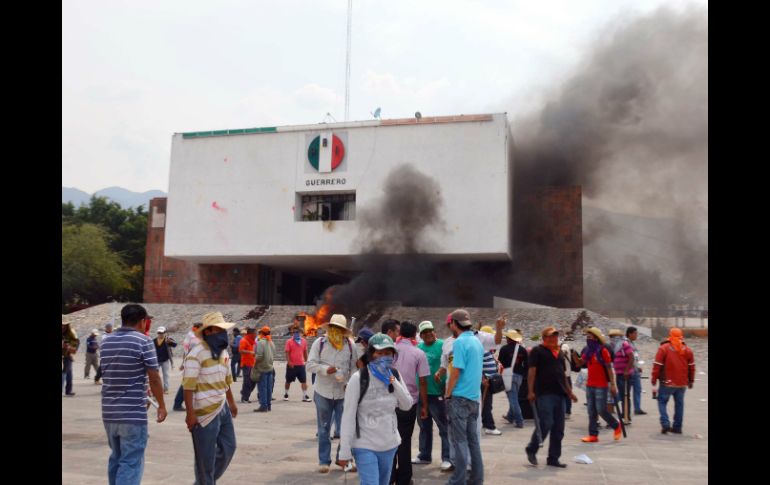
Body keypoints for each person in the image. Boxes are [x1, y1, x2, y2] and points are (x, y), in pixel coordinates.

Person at [100, 304, 167, 485]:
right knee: (130, 461)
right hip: (132, 413)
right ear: (142, 321)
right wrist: (161, 404)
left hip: (109, 412)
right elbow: (154, 377)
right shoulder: (143, 341)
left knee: (116, 457)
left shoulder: (106, 341)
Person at [338, 333, 413, 485]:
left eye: (388, 353)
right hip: (365, 444)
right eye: (379, 353)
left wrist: (393, 381)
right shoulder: (358, 379)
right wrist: (344, 451)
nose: (384, 357)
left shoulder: (395, 375)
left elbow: (407, 404)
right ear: (371, 354)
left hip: (389, 444)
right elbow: (348, 416)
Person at [183, 312, 238, 485]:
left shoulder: (223, 353)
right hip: (203, 413)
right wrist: (190, 414)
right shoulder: (196, 353)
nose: (222, 333)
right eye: (218, 330)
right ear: (208, 331)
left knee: (229, 446)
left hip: (222, 407)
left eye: (223, 329)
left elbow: (226, 381)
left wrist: (232, 402)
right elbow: (188, 386)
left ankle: (204, 482)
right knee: (204, 460)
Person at [306, 313, 357, 473]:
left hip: (343, 392)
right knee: (324, 428)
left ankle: (343, 459)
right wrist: (325, 369)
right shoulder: (319, 343)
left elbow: (355, 367)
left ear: (343, 331)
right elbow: (310, 365)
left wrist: (351, 383)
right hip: (323, 391)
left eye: (339, 329)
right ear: (330, 328)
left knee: (346, 429)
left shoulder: (350, 345)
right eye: (334, 328)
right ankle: (324, 460)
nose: (336, 331)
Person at [524, 326, 577, 468]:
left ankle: (553, 458)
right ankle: (532, 448)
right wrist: (530, 391)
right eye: (550, 336)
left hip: (560, 394)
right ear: (544, 338)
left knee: (559, 428)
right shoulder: (537, 351)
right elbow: (532, 372)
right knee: (546, 423)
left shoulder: (559, 352)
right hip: (544, 393)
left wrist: (569, 392)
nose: (553, 338)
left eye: (555, 336)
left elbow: (562, 374)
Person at [444, 309, 485, 485]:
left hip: (459, 397)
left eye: (450, 323)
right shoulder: (477, 341)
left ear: (454, 323)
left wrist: (447, 393)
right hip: (474, 398)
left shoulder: (459, 342)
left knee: (459, 441)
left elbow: (456, 370)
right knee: (473, 441)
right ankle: (476, 478)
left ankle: (458, 480)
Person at [391, 321, 429, 485]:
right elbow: (422, 381)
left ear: (400, 334)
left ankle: (389, 475)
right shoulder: (418, 353)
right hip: (409, 402)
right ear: (415, 335)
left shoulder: (390, 350)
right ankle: (404, 478)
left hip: (390, 401)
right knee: (405, 441)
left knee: (390, 439)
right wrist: (425, 405)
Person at [413, 321, 453, 472]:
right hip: (421, 394)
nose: (429, 333)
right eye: (425, 332)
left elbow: (450, 364)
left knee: (444, 427)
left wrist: (447, 385)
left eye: (431, 330)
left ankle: (447, 458)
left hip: (438, 394)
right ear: (421, 335)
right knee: (424, 426)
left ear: (435, 332)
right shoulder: (419, 348)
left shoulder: (443, 345)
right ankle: (424, 455)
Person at [573, 327, 622, 443]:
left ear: (596, 338)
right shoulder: (588, 351)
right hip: (590, 385)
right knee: (591, 411)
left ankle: (616, 425)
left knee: (601, 410)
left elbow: (609, 368)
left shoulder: (603, 351)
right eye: (587, 337)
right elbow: (580, 363)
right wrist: (574, 356)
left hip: (601, 385)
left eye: (589, 337)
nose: (587, 339)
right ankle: (593, 435)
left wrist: (613, 385)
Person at [651, 328, 695, 434]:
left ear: (670, 335)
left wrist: (654, 379)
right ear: (681, 336)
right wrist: (691, 381)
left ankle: (665, 423)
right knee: (679, 405)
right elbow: (692, 367)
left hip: (667, 382)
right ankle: (677, 427)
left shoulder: (664, 348)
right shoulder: (687, 350)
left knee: (661, 401)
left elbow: (657, 365)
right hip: (682, 383)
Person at [498, 329, 527, 428]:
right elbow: (527, 364)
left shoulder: (504, 349)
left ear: (509, 338)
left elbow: (500, 362)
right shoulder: (523, 350)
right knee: (514, 397)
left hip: (507, 375)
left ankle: (520, 421)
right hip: (519, 376)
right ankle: (510, 416)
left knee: (513, 399)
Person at [478, 326, 503, 436]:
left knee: (487, 404)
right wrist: (483, 377)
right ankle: (489, 426)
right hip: (485, 381)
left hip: (488, 380)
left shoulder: (485, 349)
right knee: (487, 404)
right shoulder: (481, 348)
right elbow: (477, 364)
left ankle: (485, 421)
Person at [172, 321, 203, 411]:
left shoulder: (190, 336)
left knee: (188, 384)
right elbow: (190, 351)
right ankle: (177, 404)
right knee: (186, 385)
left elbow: (186, 351)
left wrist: (183, 363)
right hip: (192, 364)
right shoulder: (194, 338)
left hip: (191, 363)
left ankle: (178, 403)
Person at [608, 329, 635, 422]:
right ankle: (624, 415)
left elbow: (632, 358)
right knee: (623, 395)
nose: (611, 339)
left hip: (625, 375)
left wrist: (627, 371)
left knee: (625, 396)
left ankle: (626, 416)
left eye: (612, 337)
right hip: (619, 374)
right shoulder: (614, 347)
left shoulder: (624, 345)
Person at [284, 325, 311, 402]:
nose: (296, 334)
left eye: (298, 332)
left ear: (301, 333)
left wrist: (307, 361)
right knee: (288, 381)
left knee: (304, 381)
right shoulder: (289, 341)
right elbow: (287, 352)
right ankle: (286, 394)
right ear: (293, 333)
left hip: (301, 365)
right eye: (295, 332)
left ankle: (305, 396)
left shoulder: (304, 341)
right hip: (291, 365)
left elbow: (305, 352)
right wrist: (289, 362)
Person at [253, 326, 276, 412]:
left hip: (262, 368)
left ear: (261, 333)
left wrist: (255, 365)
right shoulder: (271, 342)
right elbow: (274, 354)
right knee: (269, 388)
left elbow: (259, 356)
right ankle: (268, 405)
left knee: (262, 388)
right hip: (270, 367)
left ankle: (263, 406)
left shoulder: (260, 342)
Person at [626, 326, 647, 415]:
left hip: (635, 370)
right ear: (630, 334)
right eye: (635, 333)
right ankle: (611, 403)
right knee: (625, 391)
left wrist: (637, 367)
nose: (636, 335)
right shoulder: (626, 344)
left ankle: (637, 408)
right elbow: (629, 358)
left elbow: (635, 357)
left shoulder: (632, 343)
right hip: (630, 371)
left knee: (637, 389)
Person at [153, 327, 177, 394]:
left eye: (162, 333)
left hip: (165, 360)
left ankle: (166, 389)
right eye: (159, 333)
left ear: (164, 333)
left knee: (165, 375)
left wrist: (170, 341)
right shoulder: (154, 340)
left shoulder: (168, 340)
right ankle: (157, 388)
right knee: (155, 375)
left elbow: (175, 344)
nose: (160, 334)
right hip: (156, 360)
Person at [239, 327, 257, 403]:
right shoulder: (244, 340)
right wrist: (250, 352)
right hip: (246, 364)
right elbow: (241, 350)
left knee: (253, 381)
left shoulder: (252, 341)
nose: (256, 335)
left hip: (253, 363)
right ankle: (245, 398)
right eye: (255, 333)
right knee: (247, 381)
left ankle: (244, 392)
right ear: (251, 334)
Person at [62, 320, 79, 396]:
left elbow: (75, 347)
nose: (63, 326)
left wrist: (68, 347)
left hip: (67, 356)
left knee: (68, 374)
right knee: (65, 373)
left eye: (64, 325)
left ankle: (68, 391)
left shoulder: (71, 334)